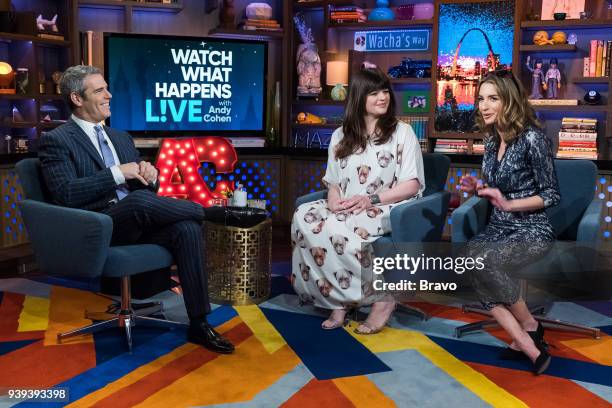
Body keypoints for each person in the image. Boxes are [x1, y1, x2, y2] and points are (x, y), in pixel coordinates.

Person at [38, 65, 234, 354]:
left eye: (107, 87)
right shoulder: (57, 140)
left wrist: (150, 176)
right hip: (95, 227)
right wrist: (118, 172)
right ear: (77, 99)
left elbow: (144, 191)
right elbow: (66, 193)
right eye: (99, 90)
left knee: (186, 227)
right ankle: (213, 213)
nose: (109, 95)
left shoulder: (121, 137)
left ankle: (199, 323)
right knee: (137, 203)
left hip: (136, 220)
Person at [291, 68, 425, 334]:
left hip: (387, 204)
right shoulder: (341, 135)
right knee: (303, 217)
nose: (382, 97)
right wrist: (332, 201)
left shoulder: (403, 132)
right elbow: (333, 182)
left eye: (385, 91)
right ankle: (338, 296)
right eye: (374, 92)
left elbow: (412, 184)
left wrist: (370, 198)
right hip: (349, 204)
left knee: (345, 227)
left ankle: (383, 298)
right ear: (358, 97)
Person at [460, 70, 560, 375]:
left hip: (532, 229)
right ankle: (528, 336)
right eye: (481, 98)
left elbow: (551, 194)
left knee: (486, 263)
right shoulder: (491, 141)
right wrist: (475, 187)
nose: (484, 105)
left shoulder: (532, 138)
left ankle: (529, 331)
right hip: (498, 228)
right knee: (470, 261)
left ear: (510, 101)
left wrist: (509, 203)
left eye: (493, 98)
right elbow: (495, 186)